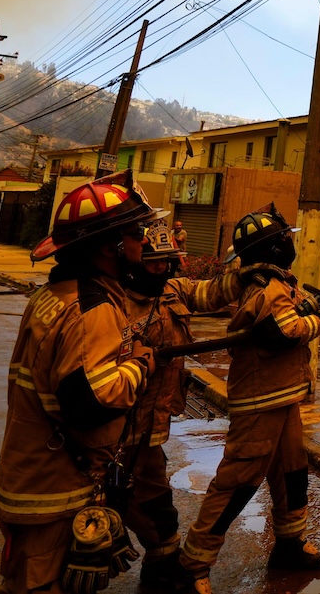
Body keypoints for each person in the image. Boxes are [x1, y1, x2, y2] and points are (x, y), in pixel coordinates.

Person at [175, 207, 320, 591]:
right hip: (261, 399)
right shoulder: (268, 286)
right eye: (286, 238)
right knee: (239, 480)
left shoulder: (268, 279)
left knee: (291, 472)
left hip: (282, 396)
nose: (291, 243)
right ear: (276, 247)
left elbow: (284, 314)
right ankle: (193, 563)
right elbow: (284, 332)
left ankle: (290, 543)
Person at [0, 172, 161, 593]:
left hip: (33, 474)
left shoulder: (58, 294)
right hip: (56, 487)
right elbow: (92, 403)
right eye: (136, 233)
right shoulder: (92, 308)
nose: (144, 242)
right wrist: (141, 364)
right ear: (111, 247)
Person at [114, 217, 284, 590]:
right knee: (116, 499)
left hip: (152, 426)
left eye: (165, 262)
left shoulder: (171, 290)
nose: (159, 269)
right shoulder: (114, 306)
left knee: (155, 504)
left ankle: (161, 570)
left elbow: (209, 292)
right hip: (118, 428)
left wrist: (243, 277)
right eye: (152, 262)